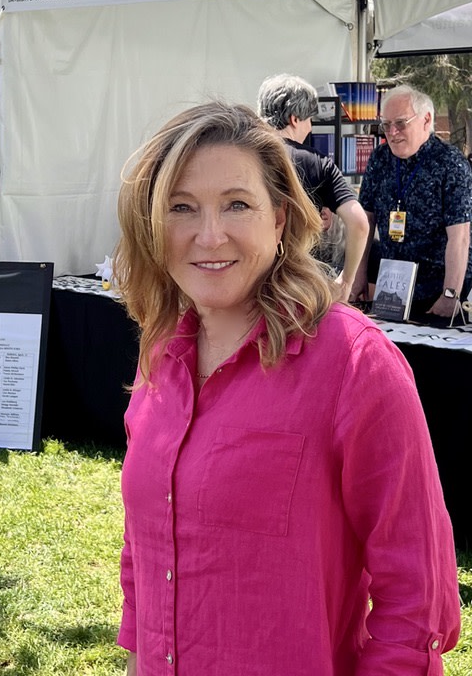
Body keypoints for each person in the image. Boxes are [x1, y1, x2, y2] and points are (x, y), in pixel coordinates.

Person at [113, 99, 459, 676]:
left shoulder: (354, 364)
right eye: (181, 207)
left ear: (279, 219)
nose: (209, 234)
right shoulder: (160, 355)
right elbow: (143, 556)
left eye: (237, 205)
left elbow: (416, 602)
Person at [352, 84, 472, 319]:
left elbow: (460, 237)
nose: (392, 132)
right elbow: (364, 222)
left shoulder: (451, 164)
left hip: (438, 285)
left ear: (426, 120)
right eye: (386, 125)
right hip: (392, 284)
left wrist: (450, 295)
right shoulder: (379, 159)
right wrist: (357, 276)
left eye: (400, 123)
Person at [257, 73, 369, 301]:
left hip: (245, 278)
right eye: (310, 119)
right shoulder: (316, 162)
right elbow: (359, 222)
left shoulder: (239, 155)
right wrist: (346, 281)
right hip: (296, 285)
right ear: (294, 118)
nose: (310, 128)